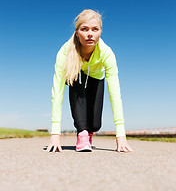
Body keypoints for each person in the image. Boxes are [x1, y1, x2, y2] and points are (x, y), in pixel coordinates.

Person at [47, 9, 134, 153]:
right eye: (84, 29)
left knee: (95, 124)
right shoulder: (64, 52)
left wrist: (121, 135)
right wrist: (55, 134)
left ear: (101, 31)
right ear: (76, 32)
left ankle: (89, 133)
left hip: (96, 77)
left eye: (95, 29)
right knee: (82, 118)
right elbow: (57, 92)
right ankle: (82, 135)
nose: (90, 34)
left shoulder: (107, 53)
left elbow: (115, 94)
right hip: (76, 74)